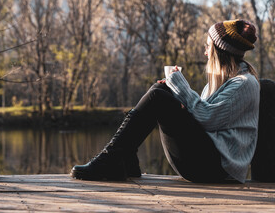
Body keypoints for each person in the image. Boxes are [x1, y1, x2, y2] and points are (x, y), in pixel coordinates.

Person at [70, 19, 260, 183]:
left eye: (208, 46)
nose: (205, 52)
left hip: (218, 169)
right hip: (207, 162)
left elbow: (206, 118)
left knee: (158, 96)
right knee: (160, 90)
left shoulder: (245, 84)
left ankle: (111, 160)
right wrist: (175, 92)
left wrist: (180, 86)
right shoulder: (220, 83)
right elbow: (203, 118)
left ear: (219, 51)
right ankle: (124, 159)